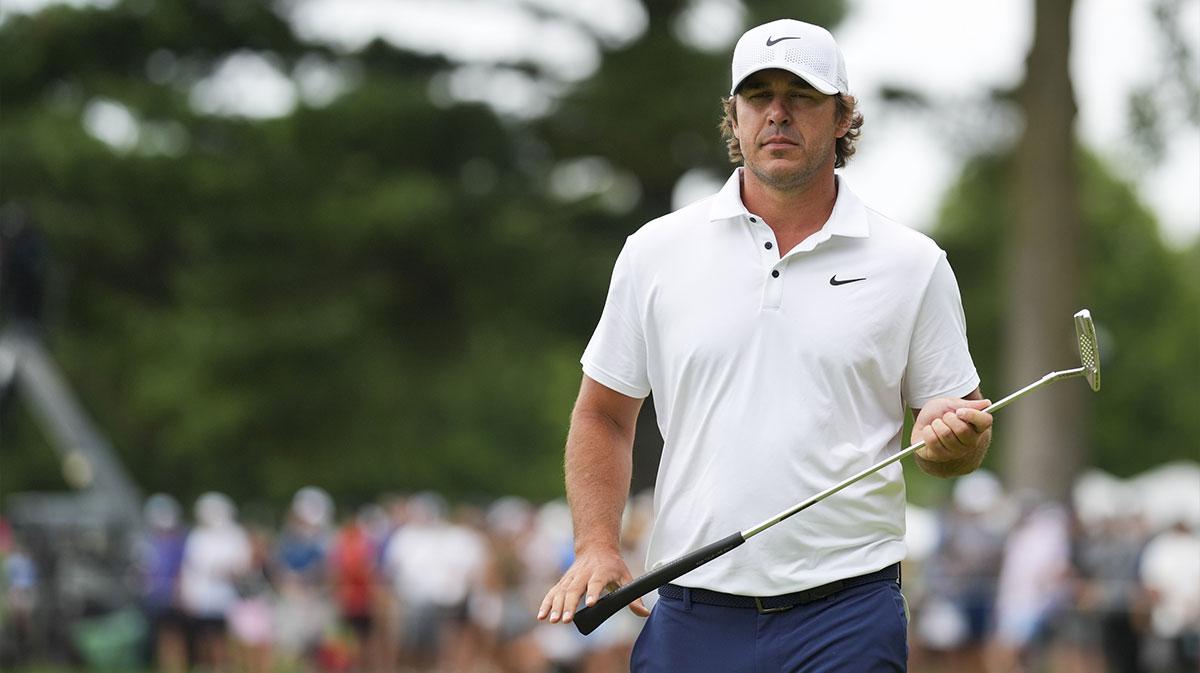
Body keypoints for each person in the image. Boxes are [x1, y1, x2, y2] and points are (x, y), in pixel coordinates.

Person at [537, 18, 994, 672]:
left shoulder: (911, 263)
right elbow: (603, 413)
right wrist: (596, 544)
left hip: (847, 612)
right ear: (734, 115)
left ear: (842, 116)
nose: (777, 114)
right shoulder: (655, 253)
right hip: (693, 612)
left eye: (802, 95)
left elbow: (960, 438)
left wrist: (956, 440)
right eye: (759, 96)